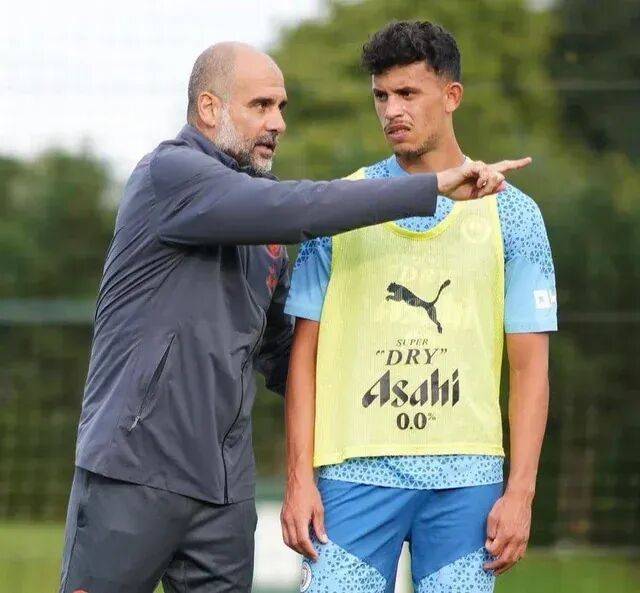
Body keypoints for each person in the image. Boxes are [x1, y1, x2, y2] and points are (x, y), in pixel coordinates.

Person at [58, 39, 529, 593]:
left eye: (281, 107)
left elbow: (288, 351)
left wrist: (395, 387)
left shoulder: (264, 229)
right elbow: (299, 208)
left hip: (224, 491)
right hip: (133, 471)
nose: (278, 122)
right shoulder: (171, 175)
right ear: (209, 108)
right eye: (261, 105)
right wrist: (429, 189)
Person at [281, 21, 557, 593]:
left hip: (466, 480)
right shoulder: (339, 207)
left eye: (407, 93)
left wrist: (521, 492)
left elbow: (530, 368)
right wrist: (298, 478)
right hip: (353, 474)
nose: (391, 111)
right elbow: (302, 358)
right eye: (381, 96)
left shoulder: (515, 215)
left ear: (451, 96)